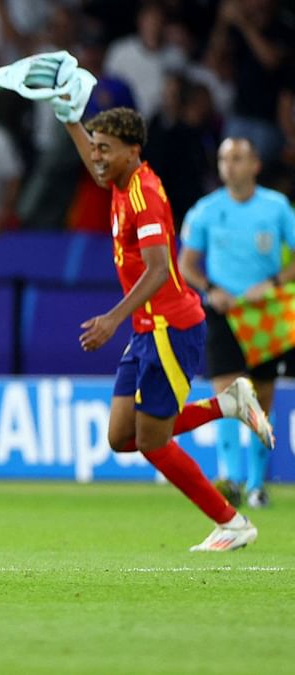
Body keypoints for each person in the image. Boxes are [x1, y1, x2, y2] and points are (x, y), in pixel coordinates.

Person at [54, 105, 273, 551]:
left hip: (170, 326)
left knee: (152, 441)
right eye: (93, 147)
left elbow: (157, 270)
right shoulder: (119, 180)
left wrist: (112, 318)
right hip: (145, 328)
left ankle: (232, 523)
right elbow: (96, 169)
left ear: (133, 152)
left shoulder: (145, 194)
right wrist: (68, 119)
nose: (96, 158)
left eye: (105, 150)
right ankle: (227, 404)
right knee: (122, 436)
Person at [178, 137, 295, 508]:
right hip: (224, 312)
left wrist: (274, 282)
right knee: (227, 396)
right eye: (224, 159)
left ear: (255, 165)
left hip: (265, 312)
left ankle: (258, 485)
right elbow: (187, 264)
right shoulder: (206, 210)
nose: (229, 165)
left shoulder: (276, 208)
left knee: (261, 399)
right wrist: (211, 289)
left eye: (238, 158)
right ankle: (230, 480)